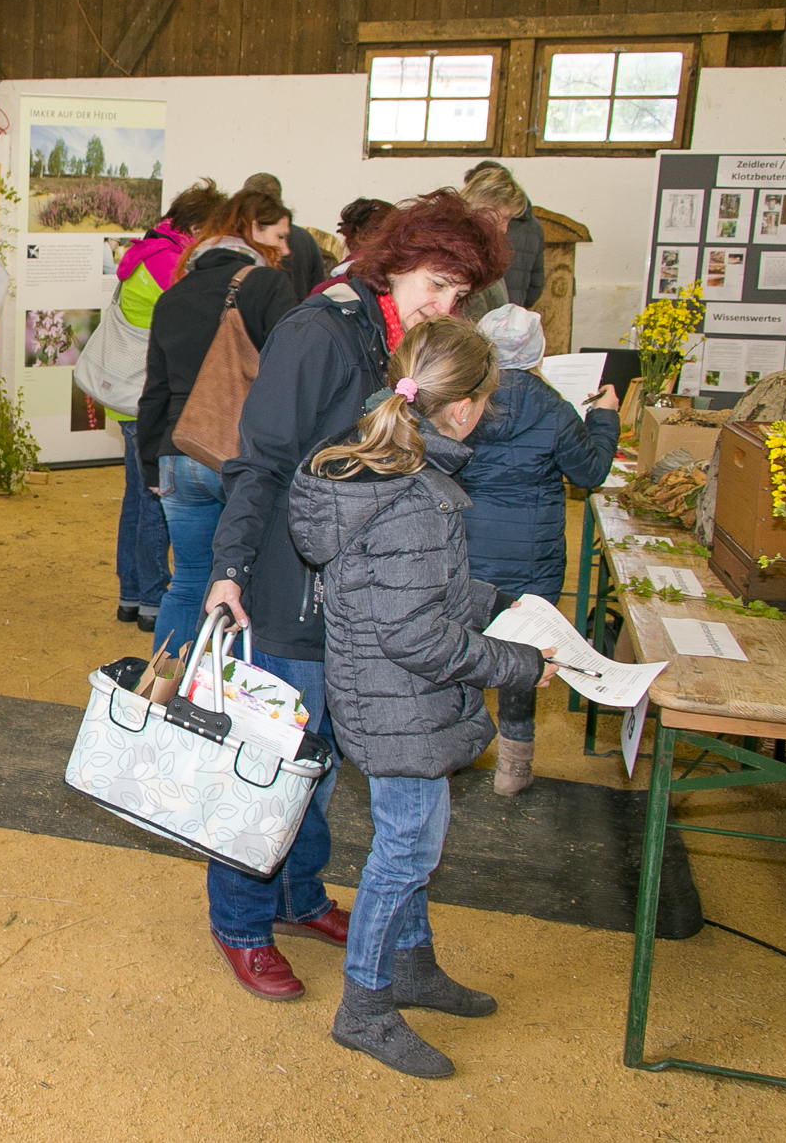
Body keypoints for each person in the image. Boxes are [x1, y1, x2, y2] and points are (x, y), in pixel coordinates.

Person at [202, 191, 512, 1002]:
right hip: (290, 593)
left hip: (361, 601)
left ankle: (301, 895)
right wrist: (228, 568)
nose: (446, 307)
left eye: (459, 296)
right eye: (438, 285)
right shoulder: (320, 331)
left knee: (327, 761)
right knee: (271, 767)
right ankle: (240, 920)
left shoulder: (398, 339)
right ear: (398, 260)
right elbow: (258, 461)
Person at [287, 316, 557, 1079]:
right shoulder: (414, 496)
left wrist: (493, 599)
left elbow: (399, 587)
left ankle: (412, 964)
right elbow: (417, 636)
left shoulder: (381, 469)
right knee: (406, 849)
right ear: (465, 408)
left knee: (413, 839)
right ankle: (365, 1005)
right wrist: (517, 664)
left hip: (387, 692)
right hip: (400, 695)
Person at [457, 305, 620, 793]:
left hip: (466, 547)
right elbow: (589, 473)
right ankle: (514, 767)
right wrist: (605, 419)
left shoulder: (462, 400)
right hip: (534, 557)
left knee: (458, 647)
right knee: (527, 656)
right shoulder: (554, 408)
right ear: (538, 351)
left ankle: (454, 752)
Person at [138, 191, 301, 656]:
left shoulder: (171, 298)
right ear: (252, 234)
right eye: (280, 238)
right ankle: (223, 699)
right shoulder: (268, 286)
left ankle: (161, 695)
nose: (286, 249)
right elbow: (290, 372)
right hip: (243, 456)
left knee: (187, 580)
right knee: (243, 584)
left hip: (178, 451)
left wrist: (152, 467)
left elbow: (154, 392)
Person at [109, 180, 226, 630]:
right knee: (157, 501)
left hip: (130, 392)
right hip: (151, 395)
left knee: (137, 500)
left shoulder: (145, 252)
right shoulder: (170, 266)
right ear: (196, 226)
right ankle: (154, 598)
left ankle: (132, 594)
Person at [462, 161, 544, 308]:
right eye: (504, 218)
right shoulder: (465, 244)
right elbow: (536, 286)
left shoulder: (487, 246)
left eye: (509, 219)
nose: (505, 229)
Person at [242, 173, 328, 297]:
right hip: (300, 312)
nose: (285, 250)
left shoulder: (249, 237)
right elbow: (319, 288)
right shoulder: (305, 238)